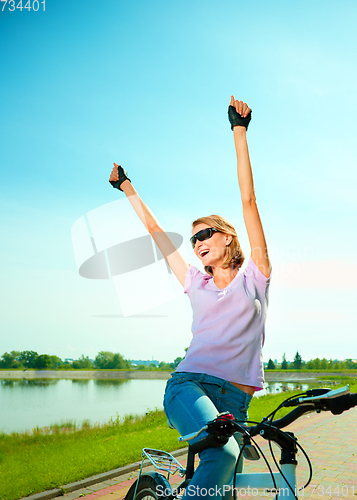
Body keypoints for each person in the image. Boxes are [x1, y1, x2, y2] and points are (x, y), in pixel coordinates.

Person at [109, 96, 272, 500]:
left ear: (227, 236)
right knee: (223, 456)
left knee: (226, 482)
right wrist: (126, 186)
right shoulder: (194, 282)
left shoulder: (257, 275)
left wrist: (239, 129)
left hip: (237, 399)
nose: (196, 242)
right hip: (191, 386)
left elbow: (249, 201)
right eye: (193, 237)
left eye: (205, 234)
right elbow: (157, 233)